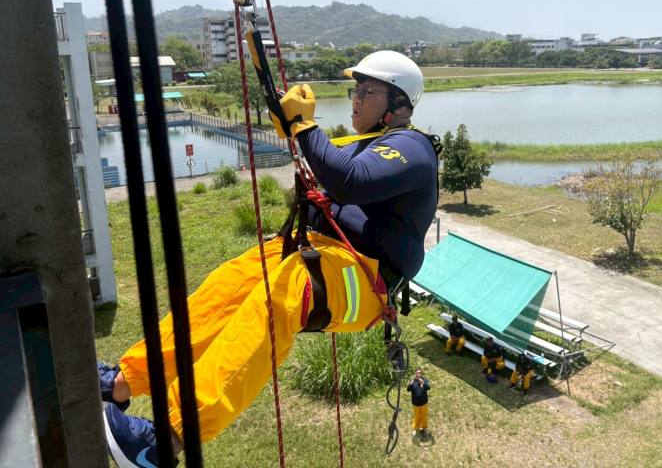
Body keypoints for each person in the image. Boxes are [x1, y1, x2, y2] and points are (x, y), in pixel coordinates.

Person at [99, 51, 440, 467]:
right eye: (354, 91)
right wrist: (296, 129)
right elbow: (334, 171)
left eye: (367, 92)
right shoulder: (365, 144)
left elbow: (349, 182)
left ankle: (164, 442)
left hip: (365, 278)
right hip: (319, 251)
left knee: (280, 295)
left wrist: (304, 126)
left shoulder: (412, 147)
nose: (355, 99)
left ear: (398, 104)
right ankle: (122, 383)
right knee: (226, 288)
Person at [406, 368, 431, 439]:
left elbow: (428, 388)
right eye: (417, 373)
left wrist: (423, 383)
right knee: (416, 417)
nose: (418, 374)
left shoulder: (425, 380)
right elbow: (408, 389)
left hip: (424, 403)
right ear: (415, 373)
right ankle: (415, 428)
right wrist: (410, 384)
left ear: (422, 373)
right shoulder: (412, 381)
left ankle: (425, 427)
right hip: (415, 404)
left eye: (420, 373)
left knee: (424, 416)